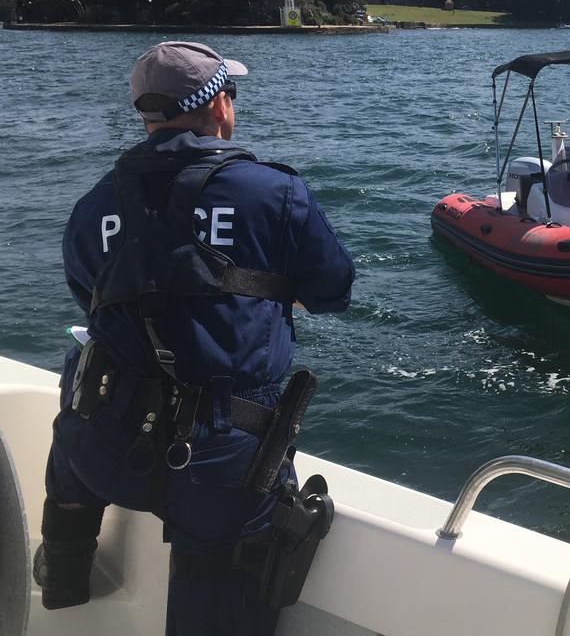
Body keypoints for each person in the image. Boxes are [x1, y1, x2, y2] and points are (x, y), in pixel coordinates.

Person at [34, 41, 355, 635]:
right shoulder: (274, 192)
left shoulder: (93, 204)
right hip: (216, 462)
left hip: (99, 447)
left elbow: (93, 300)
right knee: (225, 582)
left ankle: (63, 572)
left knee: (76, 414)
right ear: (220, 109)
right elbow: (334, 290)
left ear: (147, 115)